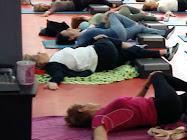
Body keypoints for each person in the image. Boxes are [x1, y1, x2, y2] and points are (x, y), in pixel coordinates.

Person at [24, 38, 178, 90]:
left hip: (106, 62)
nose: (40, 52)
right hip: (101, 53)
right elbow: (57, 76)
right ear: (39, 63)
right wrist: (52, 83)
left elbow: (79, 48)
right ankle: (133, 46)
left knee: (130, 53)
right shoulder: (53, 65)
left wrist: (91, 40)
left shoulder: (55, 58)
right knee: (105, 39)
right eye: (38, 54)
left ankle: (164, 52)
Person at [56, 12, 173, 47]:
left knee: (140, 27)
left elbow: (100, 28)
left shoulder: (83, 32)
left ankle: (163, 33)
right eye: (67, 31)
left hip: (120, 36)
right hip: (116, 33)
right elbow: (79, 46)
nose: (68, 28)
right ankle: (134, 24)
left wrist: (103, 22)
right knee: (112, 14)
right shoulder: (80, 40)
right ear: (70, 38)